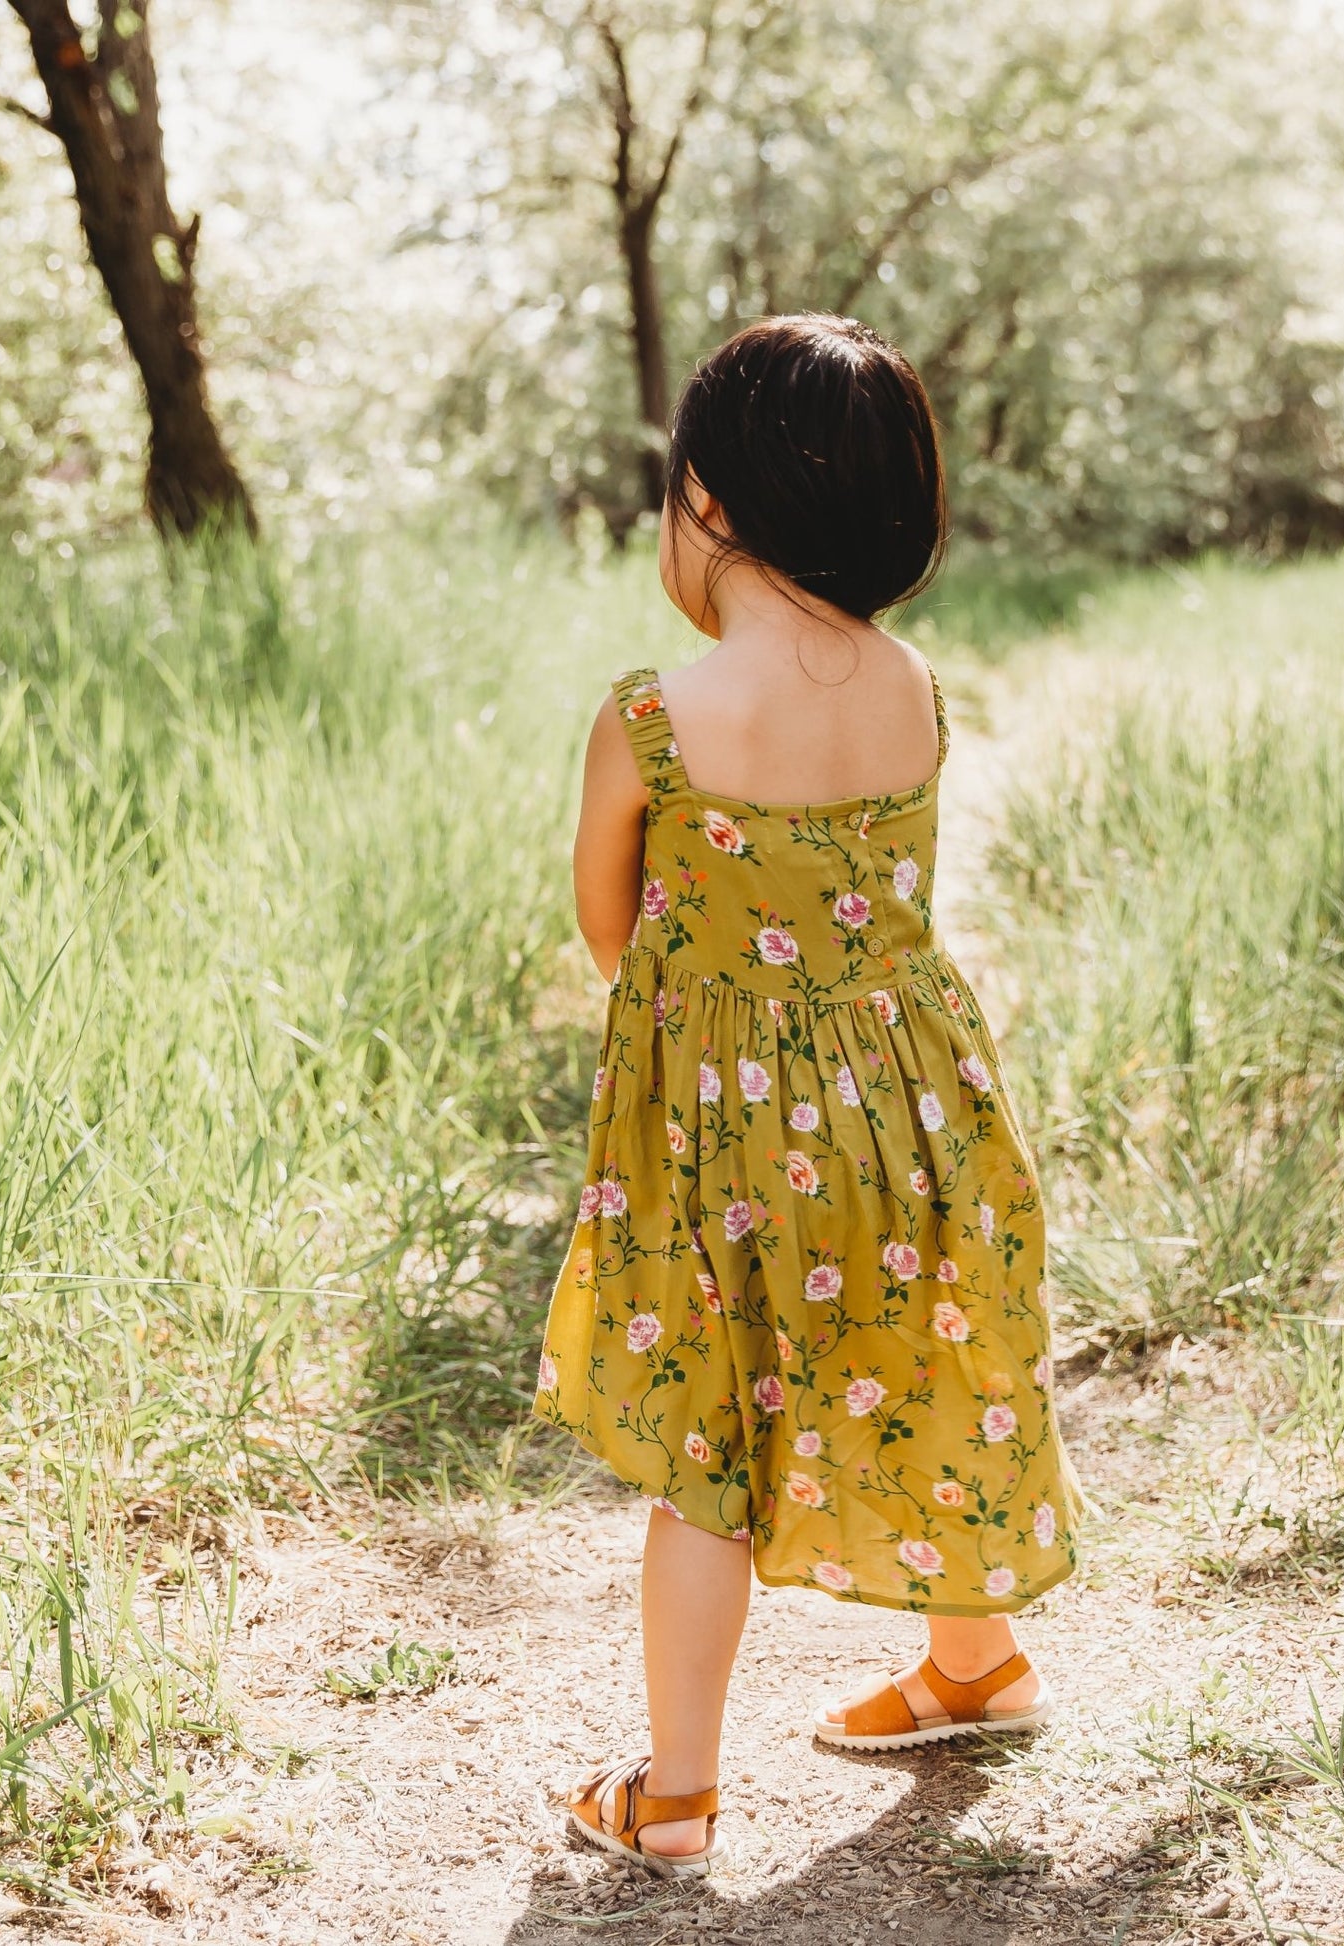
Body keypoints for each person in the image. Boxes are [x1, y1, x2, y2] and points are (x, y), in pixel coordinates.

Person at [534, 313, 1081, 1878]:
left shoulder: (654, 715)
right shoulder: (908, 683)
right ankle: (973, 1659)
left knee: (713, 1438)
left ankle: (680, 1792)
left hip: (726, 1131)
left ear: (708, 501)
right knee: (914, 1357)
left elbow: (607, 924)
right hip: (915, 1102)